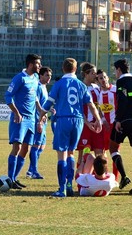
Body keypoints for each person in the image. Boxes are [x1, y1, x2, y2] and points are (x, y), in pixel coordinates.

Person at [38, 58, 102, 197]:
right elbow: (91, 105)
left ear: (63, 68)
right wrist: (98, 120)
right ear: (75, 68)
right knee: (71, 153)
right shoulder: (81, 85)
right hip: (78, 121)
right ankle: (69, 186)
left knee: (62, 154)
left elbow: (49, 103)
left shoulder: (59, 84)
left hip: (63, 119)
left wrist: (40, 117)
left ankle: (62, 190)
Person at [109, 58, 132, 195]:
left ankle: (124, 176)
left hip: (125, 120)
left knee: (112, 147)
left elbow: (121, 100)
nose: (115, 73)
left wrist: (118, 119)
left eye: (115, 70)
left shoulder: (121, 82)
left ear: (119, 69)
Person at [5, 53, 42, 189]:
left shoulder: (36, 77)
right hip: (20, 119)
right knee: (17, 147)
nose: (40, 66)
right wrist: (16, 112)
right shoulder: (19, 78)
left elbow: (35, 97)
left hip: (31, 119)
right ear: (31, 64)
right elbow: (8, 96)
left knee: (25, 149)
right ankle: (10, 179)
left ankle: (14, 178)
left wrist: (41, 112)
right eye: (38, 64)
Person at [26, 66, 52, 179]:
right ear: (40, 75)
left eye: (50, 76)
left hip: (44, 120)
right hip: (39, 120)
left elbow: (43, 103)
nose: (49, 78)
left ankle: (31, 170)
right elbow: (37, 104)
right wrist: (39, 121)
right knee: (36, 146)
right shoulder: (37, 87)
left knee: (42, 146)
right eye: (47, 75)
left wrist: (50, 109)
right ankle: (33, 171)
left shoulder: (44, 87)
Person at [76, 62, 104, 168]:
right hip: (85, 125)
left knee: (99, 153)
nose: (95, 75)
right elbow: (78, 109)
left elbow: (98, 106)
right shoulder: (80, 87)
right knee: (83, 154)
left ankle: (98, 178)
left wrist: (100, 120)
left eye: (95, 73)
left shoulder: (96, 88)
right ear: (86, 74)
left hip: (96, 125)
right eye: (93, 73)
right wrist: (87, 123)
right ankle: (80, 178)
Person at [97, 69, 119, 181]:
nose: (103, 79)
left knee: (114, 151)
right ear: (98, 80)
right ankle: (104, 175)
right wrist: (102, 120)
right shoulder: (98, 93)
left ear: (108, 78)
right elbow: (97, 109)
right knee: (101, 152)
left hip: (114, 126)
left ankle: (115, 177)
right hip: (103, 127)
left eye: (105, 77)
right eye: (100, 78)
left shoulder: (115, 90)